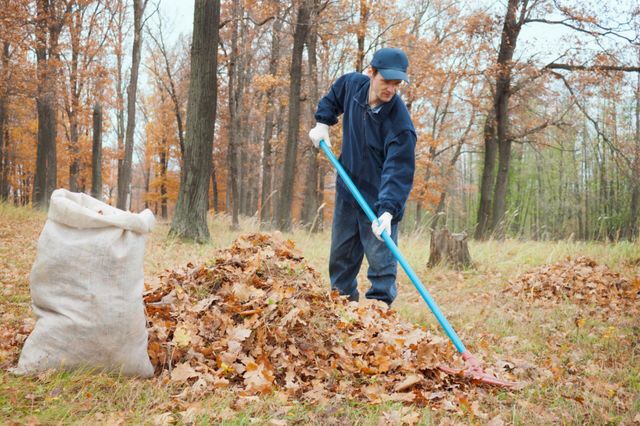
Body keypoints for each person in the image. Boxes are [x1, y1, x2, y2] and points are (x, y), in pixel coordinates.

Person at [308, 47, 417, 306]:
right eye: (385, 81)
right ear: (371, 73)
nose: (390, 89)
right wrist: (323, 123)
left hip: (378, 203)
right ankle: (343, 313)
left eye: (396, 83)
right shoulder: (352, 85)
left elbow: (398, 170)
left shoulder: (400, 125)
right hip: (348, 189)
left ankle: (378, 322)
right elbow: (332, 99)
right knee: (341, 260)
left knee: (382, 266)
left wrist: (388, 211)